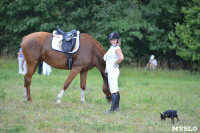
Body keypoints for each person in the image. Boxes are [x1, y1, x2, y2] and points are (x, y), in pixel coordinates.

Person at [103, 32, 124, 113]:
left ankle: (112, 109)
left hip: (113, 70)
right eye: (111, 40)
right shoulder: (112, 47)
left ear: (117, 40)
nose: (112, 41)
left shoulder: (117, 49)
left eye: (114, 40)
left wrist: (115, 63)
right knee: (116, 89)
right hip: (111, 70)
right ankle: (116, 108)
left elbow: (121, 58)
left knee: (113, 90)